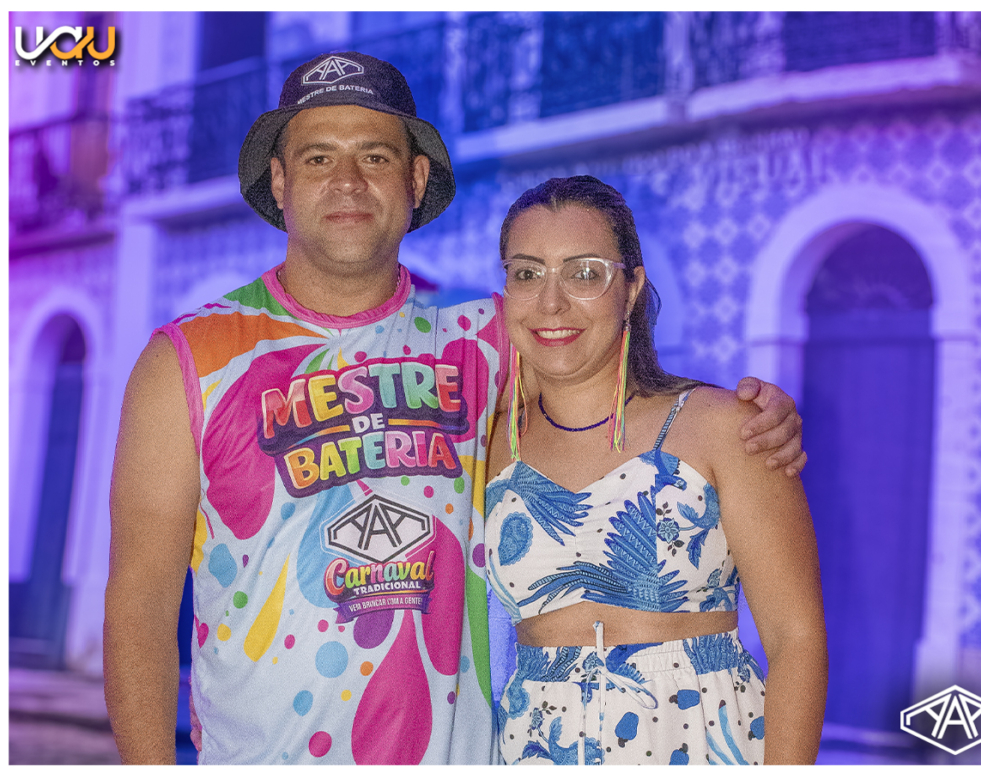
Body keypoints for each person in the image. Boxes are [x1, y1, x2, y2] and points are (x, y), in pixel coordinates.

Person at [103, 52, 807, 765]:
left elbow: (612, 380)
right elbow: (139, 610)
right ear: (280, 181)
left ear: (415, 181)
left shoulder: (487, 335)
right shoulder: (189, 361)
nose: (347, 180)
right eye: (318, 157)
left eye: (375, 156)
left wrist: (751, 414)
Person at [484, 176, 827, 765]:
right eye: (528, 273)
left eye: (584, 273)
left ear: (632, 288)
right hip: (535, 746)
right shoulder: (486, 446)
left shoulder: (724, 427)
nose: (551, 302)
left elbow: (796, 640)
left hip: (701, 739)